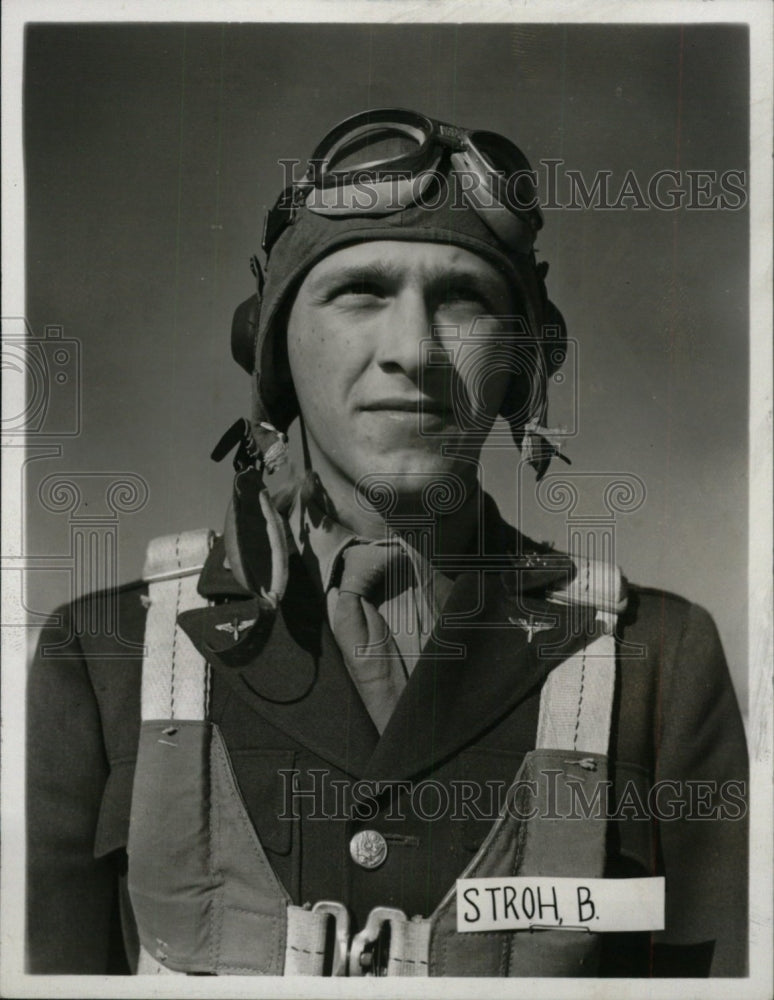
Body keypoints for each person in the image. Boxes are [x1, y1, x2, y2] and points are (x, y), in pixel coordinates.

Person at [27, 108, 748, 978]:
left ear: (523, 360)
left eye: (464, 299)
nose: (415, 350)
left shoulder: (656, 665)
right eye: (361, 291)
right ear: (274, 347)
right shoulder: (104, 657)